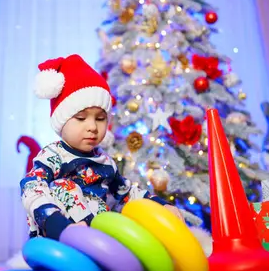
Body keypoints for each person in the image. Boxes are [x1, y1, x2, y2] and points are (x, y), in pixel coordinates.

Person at [20, 54, 185, 240]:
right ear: (61, 121)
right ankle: (74, 234)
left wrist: (161, 205)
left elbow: (127, 193)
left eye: (100, 118)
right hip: (57, 237)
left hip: (99, 237)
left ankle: (102, 240)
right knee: (62, 185)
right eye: (81, 118)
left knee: (121, 210)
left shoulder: (105, 162)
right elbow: (31, 188)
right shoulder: (52, 156)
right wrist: (57, 224)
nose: (92, 127)